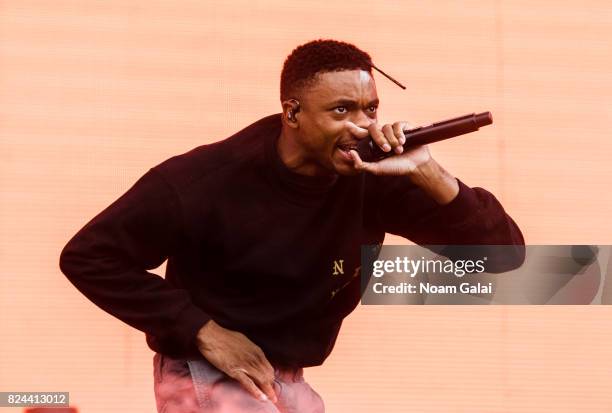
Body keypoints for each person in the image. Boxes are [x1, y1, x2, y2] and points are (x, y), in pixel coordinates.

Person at [59, 39, 525, 412]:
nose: (361, 127)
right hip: (208, 372)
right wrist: (203, 330)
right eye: (341, 110)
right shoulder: (204, 180)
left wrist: (427, 170)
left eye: (371, 109)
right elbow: (89, 256)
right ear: (293, 113)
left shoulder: (373, 176)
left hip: (288, 378)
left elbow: (503, 257)